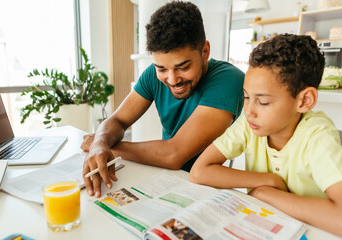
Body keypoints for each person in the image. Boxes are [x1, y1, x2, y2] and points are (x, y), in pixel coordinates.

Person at [81, 1, 244, 197]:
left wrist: (108, 147)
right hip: (162, 178)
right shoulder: (152, 75)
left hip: (206, 190)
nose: (173, 79)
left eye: (183, 67)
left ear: (205, 51)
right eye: (162, 69)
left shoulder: (229, 80)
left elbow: (174, 154)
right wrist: (100, 142)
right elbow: (118, 120)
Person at [190, 34, 342, 236]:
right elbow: (199, 172)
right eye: (245, 97)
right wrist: (268, 180)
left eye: (262, 102)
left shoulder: (318, 136)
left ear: (305, 100)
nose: (249, 111)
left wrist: (264, 193)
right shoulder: (250, 123)